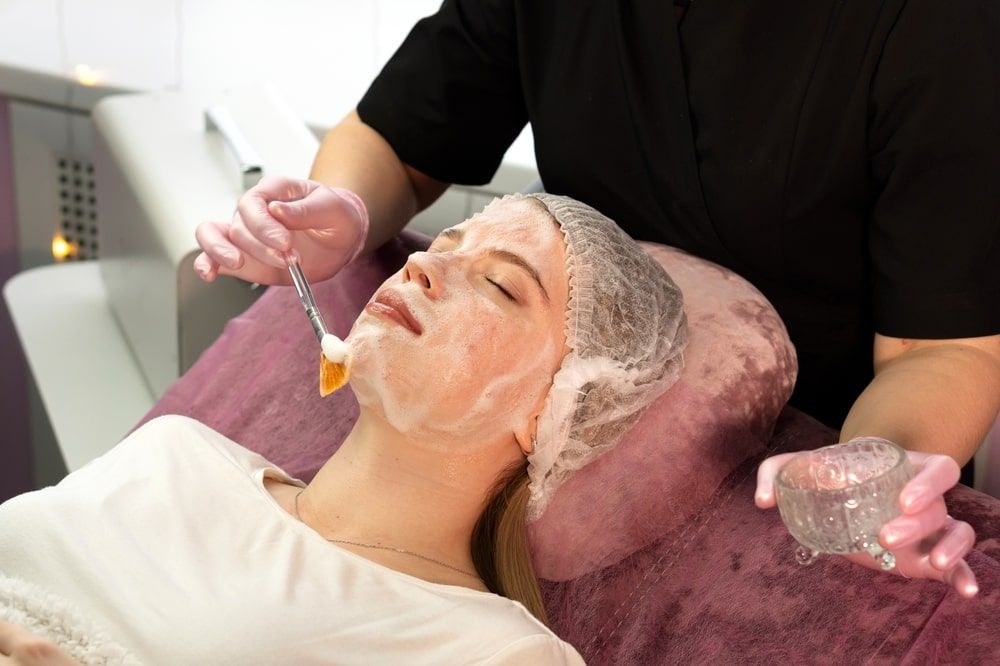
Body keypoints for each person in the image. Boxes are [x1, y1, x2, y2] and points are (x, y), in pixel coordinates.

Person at [192, 0, 997, 598]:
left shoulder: (938, 28)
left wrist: (867, 477)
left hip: (804, 450)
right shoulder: (183, 470)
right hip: (544, 384)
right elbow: (401, 138)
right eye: (447, 249)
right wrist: (344, 210)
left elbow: (943, 349)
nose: (431, 268)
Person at [1, 194, 686, 664]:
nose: (422, 263)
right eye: (446, 243)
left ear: (562, 410)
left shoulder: (488, 650)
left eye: (500, 284)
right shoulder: (176, 449)